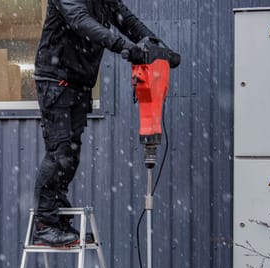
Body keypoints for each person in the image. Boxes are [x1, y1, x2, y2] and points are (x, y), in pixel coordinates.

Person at [32, 0, 178, 247]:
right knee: (60, 151)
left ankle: (58, 217)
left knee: (71, 154)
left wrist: (157, 47)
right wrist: (123, 47)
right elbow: (81, 21)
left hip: (79, 83)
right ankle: (45, 223)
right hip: (54, 80)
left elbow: (127, 21)